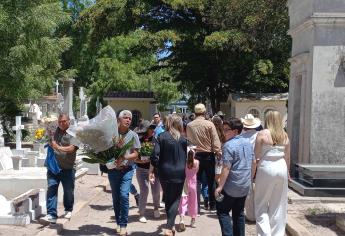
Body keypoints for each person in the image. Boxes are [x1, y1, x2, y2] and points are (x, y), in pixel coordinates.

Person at [215, 118, 256, 236]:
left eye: (227, 130)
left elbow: (226, 168)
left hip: (231, 186)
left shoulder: (228, 145)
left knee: (223, 211)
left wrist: (220, 187)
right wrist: (250, 179)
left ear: (236, 131)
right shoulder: (248, 142)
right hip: (244, 185)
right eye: (223, 129)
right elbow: (254, 163)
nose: (224, 132)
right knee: (239, 213)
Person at [150, 114, 188, 236]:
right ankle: (168, 227)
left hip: (165, 172)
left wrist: (158, 167)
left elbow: (154, 156)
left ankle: (169, 227)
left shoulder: (161, 136)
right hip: (179, 172)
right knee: (175, 199)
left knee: (168, 198)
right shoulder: (183, 139)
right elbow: (186, 157)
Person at [254, 110, 290, 236]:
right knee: (279, 205)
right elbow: (287, 157)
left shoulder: (262, 134)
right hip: (282, 167)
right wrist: (288, 173)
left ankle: (264, 234)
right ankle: (278, 233)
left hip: (266, 167)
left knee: (261, 203)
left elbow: (256, 155)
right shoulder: (284, 135)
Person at [39, 113, 79, 225]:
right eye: (60, 121)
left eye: (64, 121)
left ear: (69, 121)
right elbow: (46, 140)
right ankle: (51, 215)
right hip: (53, 167)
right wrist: (45, 136)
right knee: (51, 189)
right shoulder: (53, 131)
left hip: (68, 168)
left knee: (68, 191)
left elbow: (72, 148)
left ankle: (68, 209)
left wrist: (58, 147)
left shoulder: (74, 133)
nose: (61, 123)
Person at [108, 110, 141, 236]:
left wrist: (125, 157)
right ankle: (118, 222)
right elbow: (105, 150)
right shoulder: (112, 134)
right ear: (119, 120)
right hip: (113, 171)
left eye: (130, 119)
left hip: (127, 170)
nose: (128, 120)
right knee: (116, 198)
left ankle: (123, 225)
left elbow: (136, 153)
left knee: (123, 195)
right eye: (125, 118)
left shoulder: (133, 135)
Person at [186, 103, 222, 212]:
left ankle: (196, 205)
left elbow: (189, 140)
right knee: (211, 181)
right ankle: (213, 205)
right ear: (205, 112)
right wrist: (218, 151)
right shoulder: (209, 124)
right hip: (208, 155)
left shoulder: (189, 125)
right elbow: (215, 140)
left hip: (195, 154)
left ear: (195, 113)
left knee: (196, 180)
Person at [135, 124, 161, 223]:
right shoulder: (139, 140)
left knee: (156, 191)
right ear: (147, 129)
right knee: (144, 191)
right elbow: (134, 155)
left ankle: (156, 208)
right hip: (141, 170)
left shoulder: (157, 140)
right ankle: (141, 213)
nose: (153, 130)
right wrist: (139, 161)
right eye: (151, 128)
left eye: (154, 128)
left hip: (154, 170)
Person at [240, 113, 261, 222]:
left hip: (245, 165)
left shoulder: (241, 137)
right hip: (259, 163)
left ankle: (250, 213)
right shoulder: (259, 135)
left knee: (248, 191)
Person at [178, 147, 199, 231]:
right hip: (193, 184)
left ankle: (182, 219)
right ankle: (193, 220)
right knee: (193, 202)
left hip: (185, 183)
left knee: (183, 201)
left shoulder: (184, 162)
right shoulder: (197, 162)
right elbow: (196, 171)